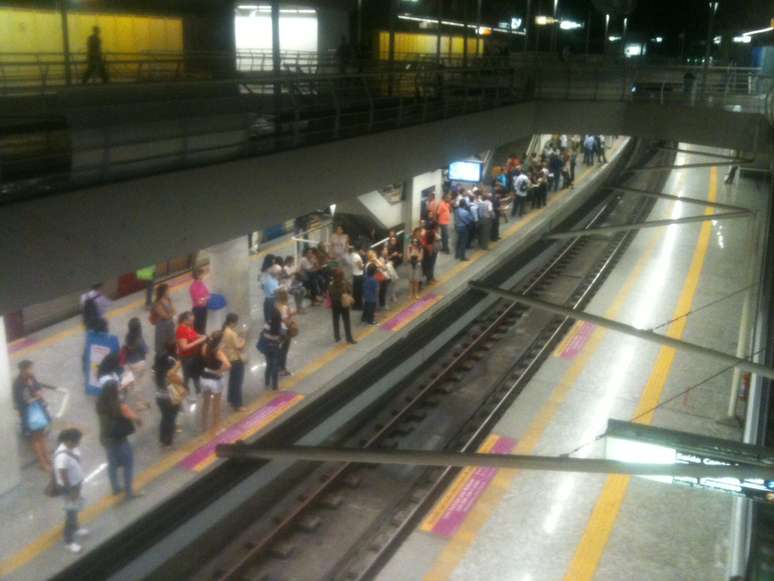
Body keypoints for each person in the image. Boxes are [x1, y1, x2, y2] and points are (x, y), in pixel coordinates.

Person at [96, 380, 141, 499]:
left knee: (112, 464)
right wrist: (138, 419)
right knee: (128, 464)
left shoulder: (100, 403)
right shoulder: (119, 406)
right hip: (119, 439)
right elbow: (133, 417)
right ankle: (129, 492)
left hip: (106, 439)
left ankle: (115, 488)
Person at [13, 360, 52, 472]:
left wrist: (38, 392)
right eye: (30, 368)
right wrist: (36, 395)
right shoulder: (18, 384)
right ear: (23, 370)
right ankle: (42, 462)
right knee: (36, 437)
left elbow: (38, 388)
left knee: (41, 435)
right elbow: (23, 400)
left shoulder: (31, 377)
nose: (32, 370)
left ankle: (47, 457)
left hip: (38, 410)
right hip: (29, 413)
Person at [54, 428, 88, 553]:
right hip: (70, 488)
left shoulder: (72, 448)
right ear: (69, 441)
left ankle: (76, 528)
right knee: (70, 513)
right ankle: (68, 541)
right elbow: (62, 474)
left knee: (75, 509)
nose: (78, 443)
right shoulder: (61, 456)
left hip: (76, 484)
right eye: (77, 441)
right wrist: (71, 491)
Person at [199, 331, 230, 432]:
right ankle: (216, 427)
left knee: (206, 402)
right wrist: (219, 371)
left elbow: (207, 356)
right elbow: (228, 365)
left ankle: (203, 425)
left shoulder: (205, 346)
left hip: (204, 377)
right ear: (220, 341)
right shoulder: (218, 352)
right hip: (215, 380)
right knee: (216, 405)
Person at [153, 345, 183, 448]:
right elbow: (180, 381)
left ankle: (162, 438)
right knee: (170, 419)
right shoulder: (170, 372)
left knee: (164, 418)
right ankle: (168, 440)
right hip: (171, 398)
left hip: (159, 397)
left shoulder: (155, 371)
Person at [83, 318, 120, 396]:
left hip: (95, 372)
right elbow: (117, 356)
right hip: (106, 372)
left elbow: (85, 356)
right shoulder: (112, 340)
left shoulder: (90, 337)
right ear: (105, 328)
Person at [122, 317, 150, 410]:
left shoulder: (127, 337)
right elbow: (146, 351)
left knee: (133, 381)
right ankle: (139, 403)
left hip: (130, 362)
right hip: (139, 363)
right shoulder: (139, 340)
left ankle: (127, 388)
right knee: (139, 384)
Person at [176, 311, 206, 395]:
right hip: (186, 358)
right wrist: (199, 341)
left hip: (194, 356)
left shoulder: (189, 326)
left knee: (196, 374)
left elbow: (193, 334)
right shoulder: (181, 330)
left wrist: (201, 336)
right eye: (191, 320)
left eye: (193, 320)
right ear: (184, 320)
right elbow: (184, 347)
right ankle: (185, 389)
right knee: (187, 375)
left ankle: (198, 390)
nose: (193, 322)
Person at [222, 314, 247, 411]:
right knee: (237, 382)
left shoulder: (225, 330)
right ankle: (238, 404)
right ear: (232, 322)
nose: (237, 324)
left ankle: (231, 399)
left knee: (232, 381)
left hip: (229, 358)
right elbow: (239, 347)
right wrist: (244, 339)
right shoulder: (232, 333)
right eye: (236, 322)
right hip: (236, 359)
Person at [329, 268, 356, 343]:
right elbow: (350, 291)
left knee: (336, 321)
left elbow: (330, 294)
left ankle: (337, 336)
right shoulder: (345, 283)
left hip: (335, 305)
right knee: (346, 321)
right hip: (344, 305)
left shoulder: (331, 284)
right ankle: (349, 338)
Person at [261, 301, 283, 390]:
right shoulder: (279, 326)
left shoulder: (267, 324)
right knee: (275, 365)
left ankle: (266, 381)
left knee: (268, 364)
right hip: (275, 347)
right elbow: (280, 338)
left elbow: (263, 334)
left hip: (267, 347)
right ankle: (275, 386)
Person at [151, 283, 176, 355]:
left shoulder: (168, 299)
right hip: (162, 327)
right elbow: (165, 316)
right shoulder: (157, 303)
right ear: (163, 292)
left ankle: (171, 355)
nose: (169, 291)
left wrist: (170, 314)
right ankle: (162, 357)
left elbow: (174, 310)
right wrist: (171, 314)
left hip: (170, 325)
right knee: (162, 344)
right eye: (168, 290)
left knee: (171, 342)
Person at [275, 289, 295, 376]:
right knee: (284, 350)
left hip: (277, 330)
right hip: (285, 331)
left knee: (279, 349)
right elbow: (285, 320)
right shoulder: (284, 307)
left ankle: (277, 367)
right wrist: (291, 315)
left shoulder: (276, 305)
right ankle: (282, 369)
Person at [189, 267, 210, 335]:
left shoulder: (202, 283)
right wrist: (205, 298)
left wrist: (204, 299)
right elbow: (198, 301)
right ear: (197, 275)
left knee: (203, 325)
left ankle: (203, 337)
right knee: (198, 327)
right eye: (202, 274)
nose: (203, 275)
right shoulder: (193, 287)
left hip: (204, 307)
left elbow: (208, 294)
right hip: (198, 309)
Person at [350, 246, 365, 310]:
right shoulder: (357, 257)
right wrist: (364, 265)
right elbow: (360, 267)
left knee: (355, 291)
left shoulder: (352, 256)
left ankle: (355, 305)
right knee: (359, 292)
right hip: (359, 275)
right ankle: (359, 306)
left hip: (355, 274)